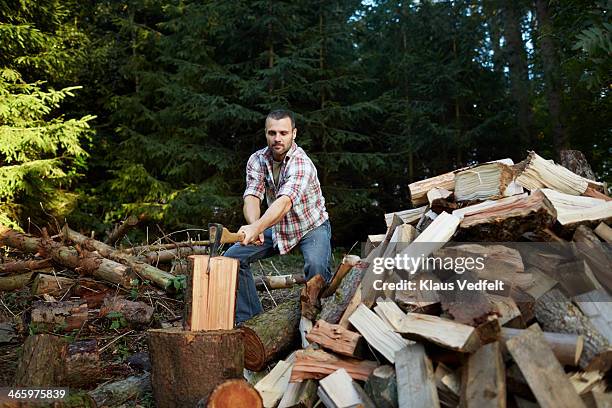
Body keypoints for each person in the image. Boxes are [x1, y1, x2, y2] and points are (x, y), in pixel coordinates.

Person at [225, 109, 332, 323]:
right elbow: (252, 195)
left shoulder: (302, 163)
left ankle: (321, 322)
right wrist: (255, 226)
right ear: (265, 133)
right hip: (278, 226)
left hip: (311, 227)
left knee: (317, 267)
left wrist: (257, 228)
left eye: (283, 133)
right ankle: (251, 321)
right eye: (272, 133)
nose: (277, 138)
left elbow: (284, 202)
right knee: (232, 259)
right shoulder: (257, 159)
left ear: (294, 133)